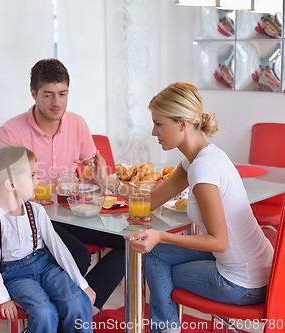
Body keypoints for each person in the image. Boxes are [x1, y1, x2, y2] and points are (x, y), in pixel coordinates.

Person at [93, 82, 274, 333]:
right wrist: (107, 182)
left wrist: (160, 236)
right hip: (260, 267)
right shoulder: (201, 158)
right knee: (155, 257)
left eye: (159, 123)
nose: (154, 132)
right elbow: (150, 201)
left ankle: (166, 329)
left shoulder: (203, 170)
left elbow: (218, 242)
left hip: (243, 283)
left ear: (182, 124)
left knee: (158, 271)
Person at [0, 58, 125, 309]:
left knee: (130, 243)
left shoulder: (77, 123)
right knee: (78, 256)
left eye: (63, 94)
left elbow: (91, 163)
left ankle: (84, 308)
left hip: (71, 212)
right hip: (34, 218)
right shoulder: (10, 133)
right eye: (48, 95)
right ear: (33, 93)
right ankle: (72, 311)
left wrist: (97, 171)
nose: (57, 103)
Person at [0, 145, 94, 333]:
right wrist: (3, 298)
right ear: (11, 185)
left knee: (76, 302)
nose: (38, 181)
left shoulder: (36, 211)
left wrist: (83, 284)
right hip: (15, 275)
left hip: (45, 265)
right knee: (44, 312)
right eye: (32, 176)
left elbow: (58, 249)